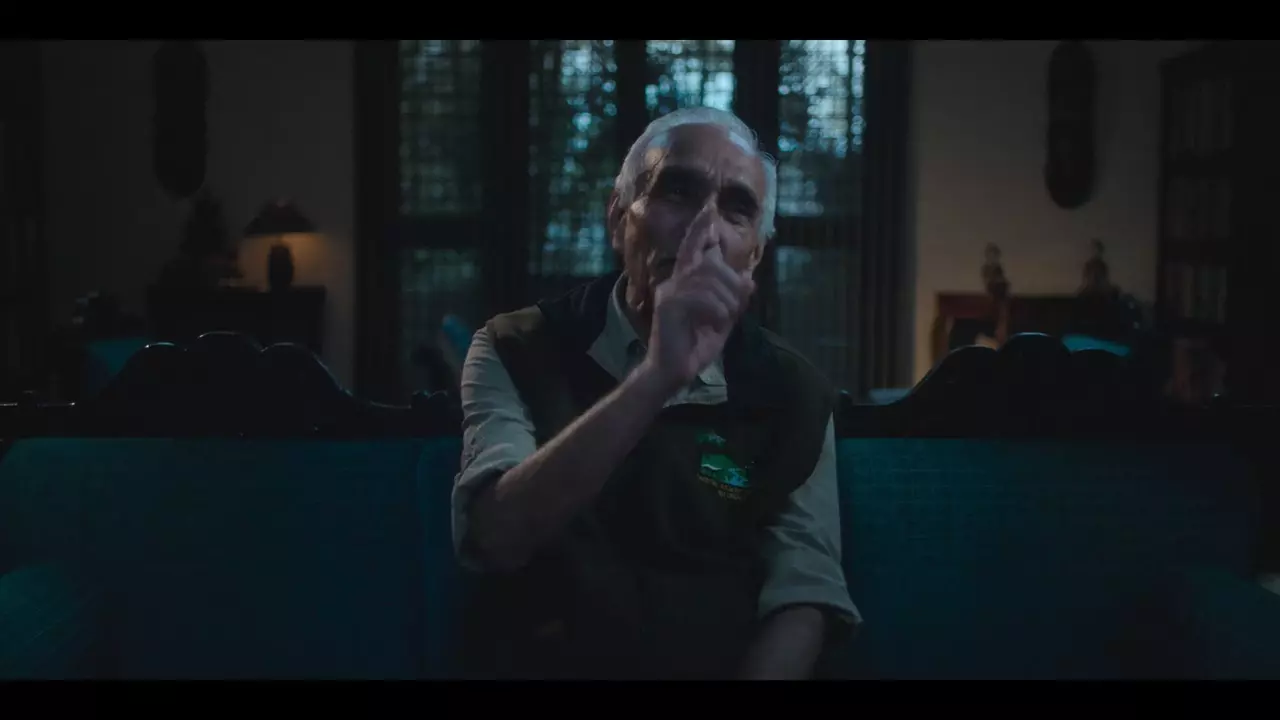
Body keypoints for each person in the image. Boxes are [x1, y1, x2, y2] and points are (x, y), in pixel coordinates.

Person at [451, 106, 860, 680]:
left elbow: (804, 595)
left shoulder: (796, 393)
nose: (703, 230)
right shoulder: (514, 346)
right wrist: (657, 376)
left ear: (754, 256)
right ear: (618, 219)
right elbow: (497, 538)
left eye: (736, 210)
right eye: (677, 192)